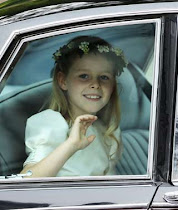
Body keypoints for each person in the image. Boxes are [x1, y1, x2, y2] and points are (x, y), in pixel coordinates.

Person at [20, 36, 128, 177]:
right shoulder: (51, 123)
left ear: (113, 86)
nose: (95, 84)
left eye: (104, 77)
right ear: (63, 81)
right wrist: (71, 145)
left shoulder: (107, 131)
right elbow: (27, 180)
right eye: (84, 76)